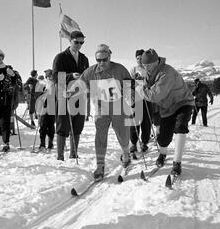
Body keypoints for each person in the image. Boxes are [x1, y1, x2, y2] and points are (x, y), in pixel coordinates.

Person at [75, 44, 132, 180]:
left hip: (118, 106)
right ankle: (100, 166)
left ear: (109, 56)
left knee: (122, 133)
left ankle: (126, 153)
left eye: (104, 59)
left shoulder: (119, 69)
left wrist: (132, 95)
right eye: (98, 60)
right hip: (101, 107)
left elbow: (130, 86)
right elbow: (80, 84)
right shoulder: (91, 71)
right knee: (100, 134)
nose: (101, 63)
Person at [136, 49, 195, 176]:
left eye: (150, 65)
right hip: (167, 107)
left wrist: (138, 89)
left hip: (182, 102)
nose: (148, 68)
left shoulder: (166, 72)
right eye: (145, 66)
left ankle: (177, 163)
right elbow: (146, 89)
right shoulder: (148, 74)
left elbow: (154, 95)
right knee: (163, 138)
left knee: (180, 127)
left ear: (157, 62)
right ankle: (162, 154)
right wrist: (140, 89)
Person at [52, 30, 89, 161]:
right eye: (76, 42)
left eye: (82, 42)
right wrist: (70, 76)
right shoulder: (60, 57)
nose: (79, 45)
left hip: (79, 95)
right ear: (70, 41)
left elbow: (87, 76)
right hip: (64, 96)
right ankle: (60, 156)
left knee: (78, 124)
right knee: (63, 124)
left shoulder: (84, 59)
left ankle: (74, 153)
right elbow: (55, 76)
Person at [129, 49, 153, 155]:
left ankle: (144, 142)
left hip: (147, 98)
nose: (139, 60)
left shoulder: (148, 69)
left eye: (140, 58)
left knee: (146, 122)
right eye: (137, 58)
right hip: (137, 98)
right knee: (135, 121)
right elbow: (128, 83)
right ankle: (133, 143)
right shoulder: (133, 69)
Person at [36, 69, 56, 150]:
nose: (50, 78)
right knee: (43, 126)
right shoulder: (42, 85)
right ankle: (42, 144)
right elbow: (37, 96)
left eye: (51, 77)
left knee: (51, 126)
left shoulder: (55, 85)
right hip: (43, 108)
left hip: (52, 108)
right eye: (49, 77)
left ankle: (50, 143)